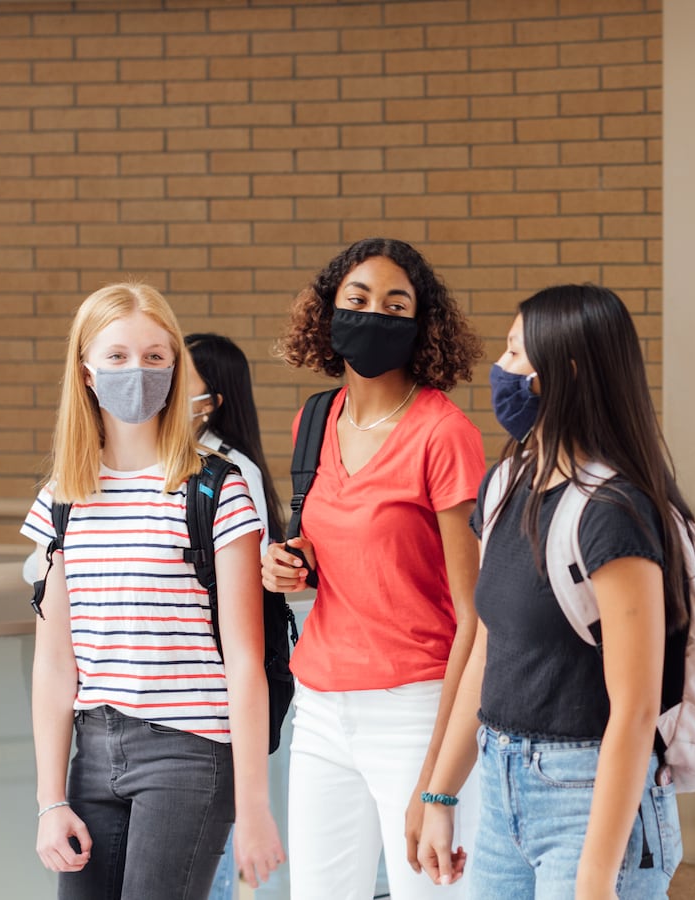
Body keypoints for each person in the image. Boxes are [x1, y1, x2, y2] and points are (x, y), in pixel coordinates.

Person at [415, 284, 688, 898]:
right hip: (503, 785)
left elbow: (636, 710)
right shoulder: (507, 484)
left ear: (561, 374)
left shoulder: (614, 512)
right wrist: (441, 791)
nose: (500, 371)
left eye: (516, 355)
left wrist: (595, 877)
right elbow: (489, 652)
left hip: (587, 799)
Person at [24, 283, 283, 899]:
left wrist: (254, 806)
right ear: (85, 371)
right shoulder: (63, 495)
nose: (136, 371)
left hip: (190, 755)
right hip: (94, 750)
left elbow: (245, 662)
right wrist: (48, 800)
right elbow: (57, 662)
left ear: (174, 370)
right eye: (116, 356)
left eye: (155, 356)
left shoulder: (217, 490)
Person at [264, 237, 485, 899]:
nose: (375, 314)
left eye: (396, 304)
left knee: (431, 891)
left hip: (416, 707)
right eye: (357, 301)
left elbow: (475, 615)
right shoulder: (314, 419)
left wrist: (439, 775)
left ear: (422, 326)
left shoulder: (443, 434)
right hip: (323, 709)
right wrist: (291, 563)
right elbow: (329, 543)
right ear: (328, 315)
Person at [184, 332, 284, 900]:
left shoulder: (226, 470)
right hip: (201, 685)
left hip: (216, 688)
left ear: (213, 399)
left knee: (210, 864)